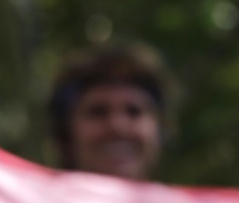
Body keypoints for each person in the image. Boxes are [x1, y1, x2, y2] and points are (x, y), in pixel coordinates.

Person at [47, 41, 175, 181]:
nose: (118, 126)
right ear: (65, 133)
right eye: (98, 112)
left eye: (134, 112)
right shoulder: (31, 201)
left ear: (159, 130)